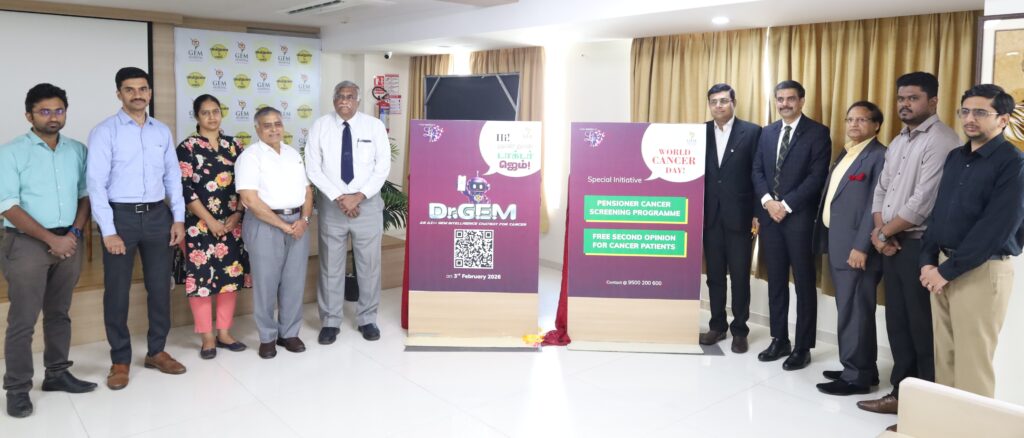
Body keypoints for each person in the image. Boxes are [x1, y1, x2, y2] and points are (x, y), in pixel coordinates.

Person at [859, 72, 959, 416]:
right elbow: (881, 191)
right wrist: (881, 233)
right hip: (892, 244)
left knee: (921, 327)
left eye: (913, 98)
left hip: (918, 246)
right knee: (898, 323)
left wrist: (882, 234)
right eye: (901, 98)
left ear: (933, 101)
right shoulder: (899, 140)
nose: (905, 104)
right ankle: (900, 394)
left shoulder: (942, 140)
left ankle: (925, 404)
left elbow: (923, 202)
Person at [919, 84, 1024, 398]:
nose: (969, 118)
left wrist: (946, 271)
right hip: (941, 266)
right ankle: (947, 421)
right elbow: (938, 213)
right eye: (965, 111)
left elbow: (996, 228)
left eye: (980, 112)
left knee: (973, 363)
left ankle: (974, 424)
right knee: (945, 356)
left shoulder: (1014, 163)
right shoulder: (956, 157)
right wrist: (927, 261)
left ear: (1003, 119)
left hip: (981, 270)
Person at [87, 67, 186, 390]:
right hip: (122, 218)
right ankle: (120, 360)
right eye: (130, 90)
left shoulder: (161, 132)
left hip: (158, 216)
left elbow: (173, 177)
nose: (137, 95)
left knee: (160, 288)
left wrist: (178, 218)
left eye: (143, 89)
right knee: (117, 292)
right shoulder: (105, 132)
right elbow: (96, 184)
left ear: (150, 93)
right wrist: (108, 230)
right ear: (119, 94)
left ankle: (157, 351)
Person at [0, 84, 96, 418]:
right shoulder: (10, 152)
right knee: (23, 319)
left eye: (59, 110)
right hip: (27, 244)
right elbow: (8, 205)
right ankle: (17, 388)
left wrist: (74, 232)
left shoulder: (77, 150)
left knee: (59, 312)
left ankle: (56, 374)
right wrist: (50, 239)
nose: (53, 117)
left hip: (68, 240)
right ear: (29, 115)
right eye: (44, 111)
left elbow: (85, 195)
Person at [751, 80, 831, 370]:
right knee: (776, 282)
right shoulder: (767, 132)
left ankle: (802, 347)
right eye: (780, 99)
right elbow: (757, 170)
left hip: (799, 219)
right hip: (770, 219)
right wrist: (767, 202)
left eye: (790, 99)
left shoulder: (818, 133)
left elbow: (817, 177)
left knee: (804, 284)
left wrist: (784, 205)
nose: (784, 104)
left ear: (801, 101)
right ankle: (779, 339)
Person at [305, 80, 391, 343]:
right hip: (333, 206)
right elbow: (313, 167)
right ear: (334, 100)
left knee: (369, 265)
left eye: (350, 96)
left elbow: (382, 166)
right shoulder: (320, 126)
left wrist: (359, 196)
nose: (344, 100)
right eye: (340, 96)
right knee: (331, 266)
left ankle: (367, 319)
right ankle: (330, 321)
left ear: (358, 101)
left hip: (367, 204)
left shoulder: (374, 126)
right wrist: (340, 197)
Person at [813, 101, 887, 395]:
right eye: (850, 119)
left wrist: (861, 247)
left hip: (857, 250)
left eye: (862, 120)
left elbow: (875, 206)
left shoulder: (879, 156)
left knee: (855, 312)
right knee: (852, 309)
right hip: (838, 242)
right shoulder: (847, 152)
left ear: (876, 125)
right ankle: (862, 369)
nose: (854, 124)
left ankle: (856, 378)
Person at [176, 94, 250, 359]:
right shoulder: (187, 147)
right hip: (199, 226)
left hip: (232, 224)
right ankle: (207, 337)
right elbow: (185, 190)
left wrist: (237, 215)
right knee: (201, 281)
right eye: (205, 112)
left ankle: (224, 333)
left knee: (230, 277)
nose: (211, 117)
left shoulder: (235, 145)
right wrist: (210, 221)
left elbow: (245, 185)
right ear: (196, 116)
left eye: (215, 111)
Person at [236, 107, 313, 359]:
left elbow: (307, 191)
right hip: (265, 224)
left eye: (277, 123)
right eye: (267, 125)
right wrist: (282, 225)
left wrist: (304, 220)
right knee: (266, 283)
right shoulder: (250, 157)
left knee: (294, 281)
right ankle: (267, 337)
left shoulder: (293, 154)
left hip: (297, 223)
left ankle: (289, 333)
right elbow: (250, 199)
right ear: (257, 128)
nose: (273, 129)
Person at [699, 83, 762, 354]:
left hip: (741, 217)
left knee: (739, 277)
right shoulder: (699, 133)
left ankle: (739, 330)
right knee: (714, 276)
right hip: (709, 217)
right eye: (714, 101)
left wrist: (758, 212)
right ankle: (717, 325)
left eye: (724, 101)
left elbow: (759, 174)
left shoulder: (752, 132)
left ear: (733, 103)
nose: (718, 106)